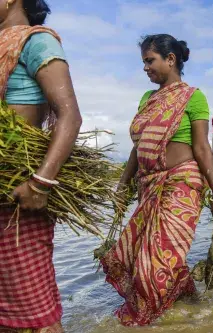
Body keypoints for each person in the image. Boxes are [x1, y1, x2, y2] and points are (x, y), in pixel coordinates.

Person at [100, 34, 213, 326]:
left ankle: (147, 322)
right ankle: (191, 309)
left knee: (153, 264)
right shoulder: (148, 98)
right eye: (144, 61)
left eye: (150, 60)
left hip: (182, 183)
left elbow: (202, 148)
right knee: (141, 255)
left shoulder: (193, 96)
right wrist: (122, 185)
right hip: (149, 185)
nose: (145, 67)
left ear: (171, 60)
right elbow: (137, 147)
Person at [0, 1, 83, 332]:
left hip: (18, 195)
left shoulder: (36, 41)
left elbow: (70, 115)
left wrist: (40, 184)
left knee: (31, 314)